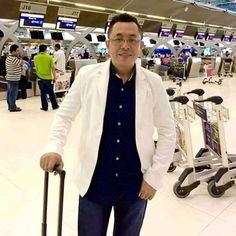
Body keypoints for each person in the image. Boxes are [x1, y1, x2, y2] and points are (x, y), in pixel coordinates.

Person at [40, 13, 176, 236]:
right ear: (107, 44)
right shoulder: (87, 76)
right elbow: (64, 116)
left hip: (136, 185)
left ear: (140, 45)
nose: (125, 45)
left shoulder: (153, 82)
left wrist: (154, 178)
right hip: (94, 181)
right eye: (118, 38)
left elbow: (168, 131)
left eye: (132, 39)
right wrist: (54, 148)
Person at [34, 44, 59, 111]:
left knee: (43, 93)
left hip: (40, 78)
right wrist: (54, 77)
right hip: (48, 78)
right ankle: (54, 106)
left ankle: (44, 107)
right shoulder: (49, 57)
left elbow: (36, 68)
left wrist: (39, 74)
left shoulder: (35, 57)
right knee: (51, 92)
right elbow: (52, 68)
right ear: (45, 49)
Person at [5, 44, 23, 112]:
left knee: (10, 92)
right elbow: (22, 63)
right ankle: (12, 107)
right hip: (14, 78)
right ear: (13, 51)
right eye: (17, 51)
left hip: (10, 78)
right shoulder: (14, 58)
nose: (18, 52)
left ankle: (11, 106)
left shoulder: (8, 58)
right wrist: (19, 57)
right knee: (13, 93)